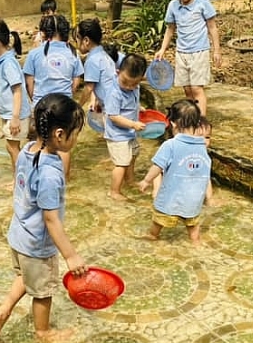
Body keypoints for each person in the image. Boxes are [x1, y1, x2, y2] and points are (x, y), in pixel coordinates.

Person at [0, 93, 88, 343]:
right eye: (75, 133)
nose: (76, 139)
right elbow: (51, 220)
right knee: (43, 292)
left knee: (24, 276)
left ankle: (2, 312)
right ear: (60, 134)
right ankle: (43, 332)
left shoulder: (27, 152)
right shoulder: (50, 173)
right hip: (37, 244)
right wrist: (71, 256)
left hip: (19, 235)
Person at [138, 99, 211, 243]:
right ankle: (196, 244)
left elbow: (157, 166)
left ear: (173, 123)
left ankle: (152, 237)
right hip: (193, 200)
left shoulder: (170, 145)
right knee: (193, 226)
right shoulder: (202, 146)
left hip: (171, 200)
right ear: (197, 122)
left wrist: (146, 181)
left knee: (158, 221)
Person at [154, 0, 221, 115]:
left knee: (197, 88)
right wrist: (162, 49)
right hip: (181, 53)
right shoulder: (173, 6)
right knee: (187, 89)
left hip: (199, 52)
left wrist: (217, 50)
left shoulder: (203, 4)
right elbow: (170, 29)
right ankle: (192, 118)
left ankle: (201, 124)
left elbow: (212, 27)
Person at [23, 14, 83, 179]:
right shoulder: (73, 53)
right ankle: (63, 180)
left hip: (42, 106)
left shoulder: (35, 54)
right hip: (64, 106)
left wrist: (35, 101)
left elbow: (29, 83)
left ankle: (38, 176)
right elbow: (76, 81)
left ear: (43, 33)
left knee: (40, 141)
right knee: (63, 145)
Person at [0, 16, 30, 177]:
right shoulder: (1, 61)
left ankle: (21, 182)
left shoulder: (8, 63)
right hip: (9, 113)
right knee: (12, 147)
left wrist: (15, 118)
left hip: (16, 115)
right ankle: (20, 179)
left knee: (12, 148)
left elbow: (17, 90)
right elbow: (4, 89)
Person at [104, 53, 147, 200]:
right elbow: (113, 116)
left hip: (129, 133)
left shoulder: (135, 87)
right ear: (118, 73)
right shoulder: (114, 93)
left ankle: (129, 180)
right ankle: (114, 191)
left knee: (134, 154)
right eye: (125, 82)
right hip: (117, 135)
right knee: (121, 163)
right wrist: (133, 124)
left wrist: (138, 107)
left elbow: (131, 101)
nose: (129, 87)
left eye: (134, 84)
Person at [75, 17, 118, 113]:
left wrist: (78, 107)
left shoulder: (92, 60)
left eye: (77, 37)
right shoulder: (104, 54)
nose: (76, 41)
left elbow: (89, 88)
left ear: (86, 40)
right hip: (116, 101)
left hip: (111, 108)